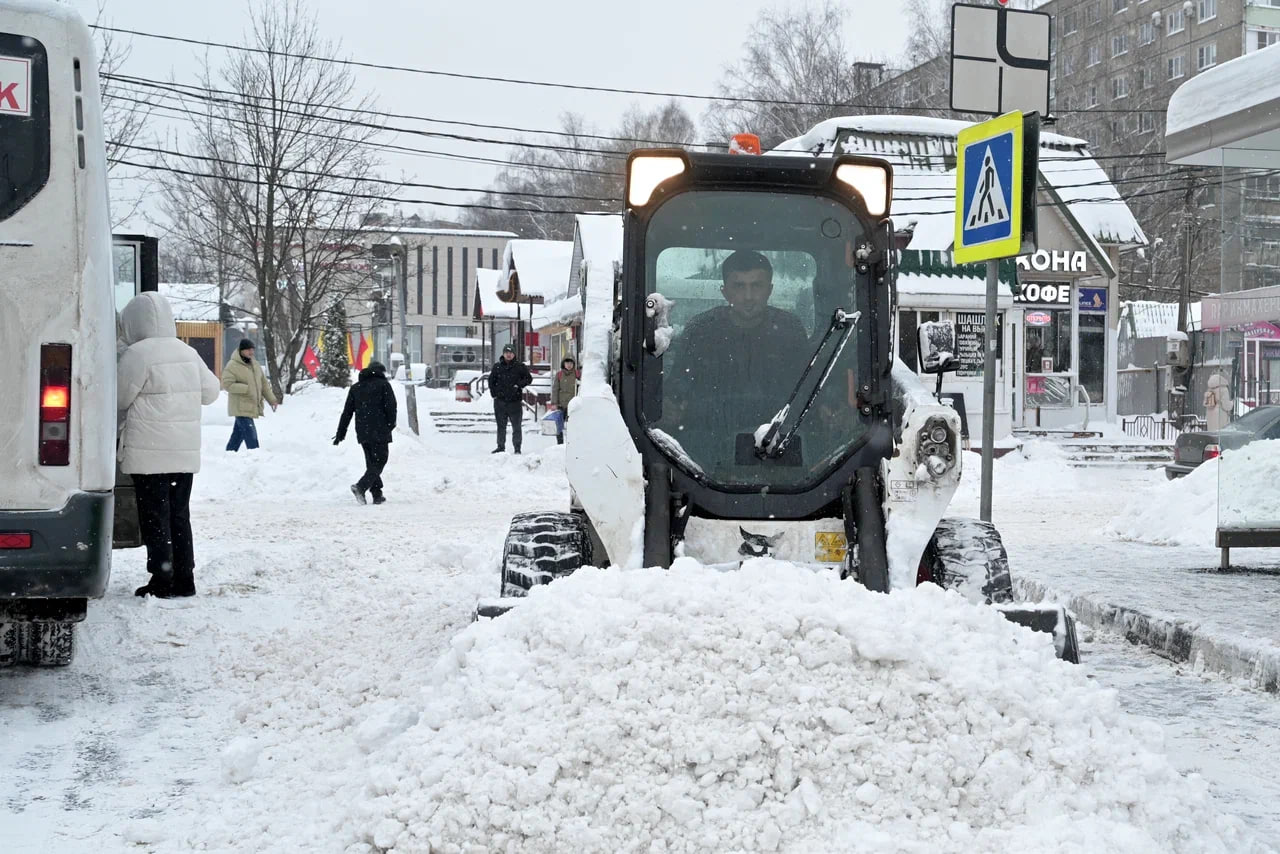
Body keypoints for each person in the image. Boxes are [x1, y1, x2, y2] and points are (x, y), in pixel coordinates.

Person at [116, 292, 221, 598]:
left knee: (154, 517)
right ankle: (185, 579)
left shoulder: (137, 355)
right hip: (183, 454)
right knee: (179, 515)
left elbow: (120, 398)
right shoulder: (186, 352)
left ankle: (162, 578)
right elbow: (211, 392)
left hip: (148, 453)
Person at [664, 250, 809, 438]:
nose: (748, 296)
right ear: (725, 291)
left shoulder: (790, 330)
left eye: (756, 286)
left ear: (770, 290)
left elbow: (807, 390)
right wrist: (671, 407)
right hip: (707, 443)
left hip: (779, 443)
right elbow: (678, 387)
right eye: (739, 286)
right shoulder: (699, 331)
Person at [333, 361, 397, 505]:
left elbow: (347, 413)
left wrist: (340, 433)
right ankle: (361, 487)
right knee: (380, 461)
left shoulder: (356, 388)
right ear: (380, 372)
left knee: (371, 462)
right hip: (380, 430)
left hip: (363, 431)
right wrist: (390, 425)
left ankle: (377, 494)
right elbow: (392, 408)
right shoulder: (384, 385)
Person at [221, 338, 279, 451]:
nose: (251, 352)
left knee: (238, 435)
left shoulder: (255, 365)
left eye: (252, 350)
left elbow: (264, 384)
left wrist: (272, 400)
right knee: (250, 434)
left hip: (251, 405)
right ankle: (255, 455)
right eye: (248, 350)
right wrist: (246, 389)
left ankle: (230, 453)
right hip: (240, 406)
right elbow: (227, 384)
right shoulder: (232, 365)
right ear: (241, 350)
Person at [489, 344, 532, 454]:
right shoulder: (497, 367)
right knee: (501, 426)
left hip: (515, 402)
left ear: (514, 354)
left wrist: (519, 385)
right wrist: (494, 393)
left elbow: (528, 378)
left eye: (511, 353)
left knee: (516, 427)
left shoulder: (520, 366)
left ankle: (517, 448)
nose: (508, 355)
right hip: (500, 402)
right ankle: (500, 446)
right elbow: (491, 381)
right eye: (506, 352)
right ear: (503, 354)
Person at [548, 356, 580, 445]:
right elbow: (555, 389)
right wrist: (554, 403)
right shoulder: (559, 374)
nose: (569, 365)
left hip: (573, 406)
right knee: (559, 426)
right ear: (563, 364)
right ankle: (560, 444)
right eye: (567, 363)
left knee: (573, 426)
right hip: (561, 405)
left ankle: (572, 444)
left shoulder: (577, 374)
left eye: (571, 363)